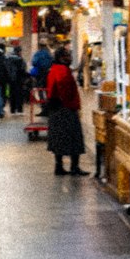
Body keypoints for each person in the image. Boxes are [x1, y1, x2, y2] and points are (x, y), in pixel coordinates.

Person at [46, 44, 87, 176]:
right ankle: (74, 167)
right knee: (74, 138)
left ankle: (59, 167)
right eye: (68, 55)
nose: (70, 57)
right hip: (65, 108)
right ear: (62, 58)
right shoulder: (62, 71)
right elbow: (65, 89)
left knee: (58, 139)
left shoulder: (55, 69)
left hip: (56, 109)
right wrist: (71, 104)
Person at [6, 45, 28, 114]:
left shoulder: (9, 59)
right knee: (19, 94)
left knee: (12, 94)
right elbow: (23, 69)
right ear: (19, 52)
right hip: (19, 79)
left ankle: (12, 109)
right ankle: (19, 109)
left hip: (11, 79)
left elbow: (7, 69)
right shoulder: (21, 60)